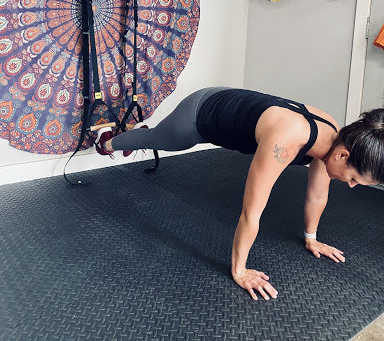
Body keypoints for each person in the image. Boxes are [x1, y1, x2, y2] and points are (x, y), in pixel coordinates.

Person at [95, 87, 383, 301]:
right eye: (355, 179)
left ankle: (141, 135)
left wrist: (312, 239)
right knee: (159, 139)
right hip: (199, 115)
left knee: (159, 136)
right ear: (344, 156)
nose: (352, 185)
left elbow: (318, 196)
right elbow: (251, 211)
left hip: (229, 101)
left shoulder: (335, 137)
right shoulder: (286, 139)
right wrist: (240, 270)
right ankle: (107, 143)